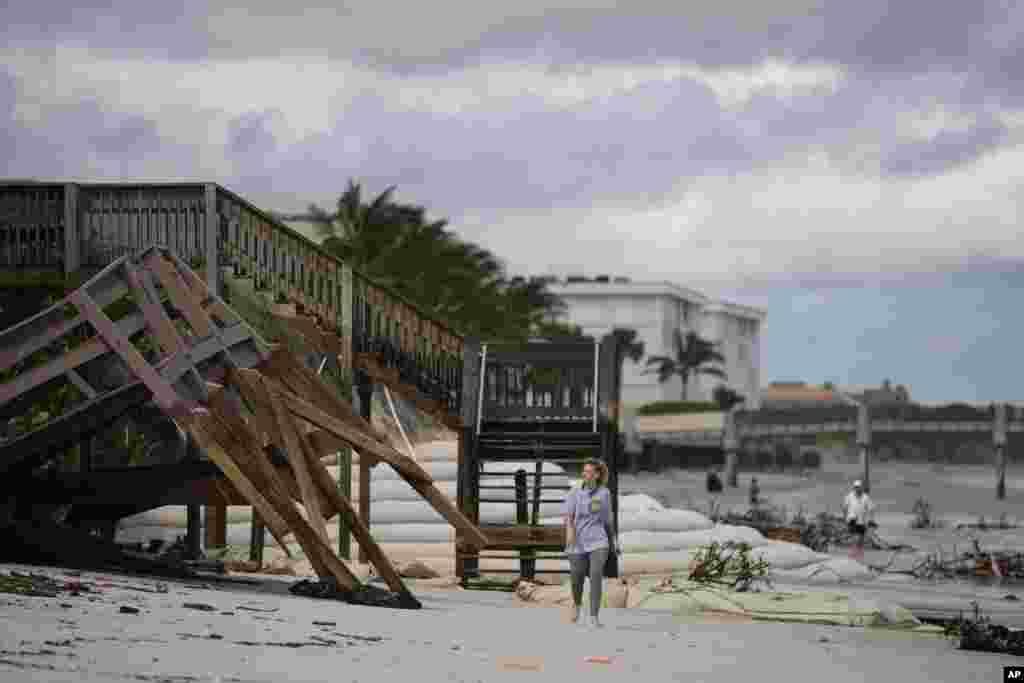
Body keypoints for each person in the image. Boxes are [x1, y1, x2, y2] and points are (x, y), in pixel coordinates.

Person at [563, 457, 618, 628]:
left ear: (596, 475)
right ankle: (577, 604)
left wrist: (613, 543)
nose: (584, 474)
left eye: (588, 472)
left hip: (598, 541)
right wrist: (570, 535)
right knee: (576, 576)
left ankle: (594, 616)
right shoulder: (574, 492)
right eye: (584, 471)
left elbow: (608, 521)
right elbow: (569, 517)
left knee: (595, 575)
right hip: (578, 540)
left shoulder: (604, 493)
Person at [842, 480, 875, 560]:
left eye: (859, 487)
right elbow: (844, 508)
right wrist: (845, 518)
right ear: (854, 487)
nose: (857, 489)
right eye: (856, 487)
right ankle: (853, 554)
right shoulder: (849, 496)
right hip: (852, 520)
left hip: (862, 521)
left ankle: (859, 555)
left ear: (861, 488)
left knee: (861, 539)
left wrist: (870, 520)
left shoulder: (865, 497)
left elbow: (871, 508)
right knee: (855, 538)